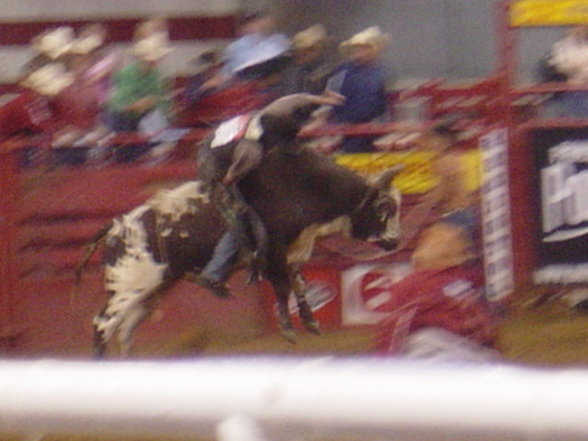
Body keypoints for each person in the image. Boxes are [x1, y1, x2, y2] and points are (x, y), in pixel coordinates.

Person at [194, 92, 344, 298]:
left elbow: (297, 97)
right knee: (245, 218)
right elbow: (231, 178)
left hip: (220, 145)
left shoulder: (273, 112)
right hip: (218, 165)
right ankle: (214, 272)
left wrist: (322, 100)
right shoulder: (251, 151)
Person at [372, 222, 501, 361]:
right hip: (475, 355)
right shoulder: (463, 282)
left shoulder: (415, 283)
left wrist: (384, 361)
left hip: (439, 355)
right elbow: (486, 328)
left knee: (423, 339)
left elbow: (397, 324)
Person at [397, 117, 478, 254]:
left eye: (430, 139)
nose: (426, 143)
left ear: (442, 141)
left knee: (432, 254)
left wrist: (416, 214)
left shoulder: (444, 162)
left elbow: (439, 193)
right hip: (459, 214)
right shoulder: (453, 158)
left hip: (456, 216)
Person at [105, 18, 173, 162]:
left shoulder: (159, 77)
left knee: (163, 130)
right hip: (124, 124)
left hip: (149, 124)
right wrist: (138, 105)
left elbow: (164, 105)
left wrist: (152, 103)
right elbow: (118, 104)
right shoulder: (127, 73)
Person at [323, 26, 391, 153]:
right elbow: (329, 98)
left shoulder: (384, 72)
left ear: (374, 50)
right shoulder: (342, 71)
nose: (358, 53)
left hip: (374, 131)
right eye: (356, 49)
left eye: (364, 49)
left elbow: (388, 101)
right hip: (345, 130)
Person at [201, 10, 291, 92]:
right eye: (252, 24)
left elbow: (281, 68)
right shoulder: (237, 47)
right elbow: (228, 72)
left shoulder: (279, 43)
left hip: (272, 90)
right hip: (245, 90)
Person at [278, 24, 333, 96]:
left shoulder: (323, 70)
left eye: (314, 50)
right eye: (308, 50)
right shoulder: (288, 68)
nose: (308, 53)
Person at [549, 25, 588, 117]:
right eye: (575, 26)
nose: (579, 29)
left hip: (581, 86)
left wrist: (578, 66)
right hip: (574, 90)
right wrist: (580, 67)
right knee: (577, 119)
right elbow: (562, 66)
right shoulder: (561, 47)